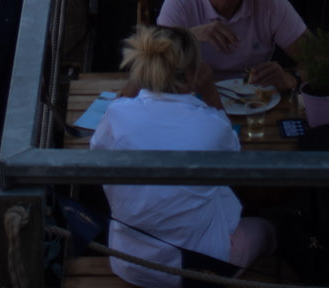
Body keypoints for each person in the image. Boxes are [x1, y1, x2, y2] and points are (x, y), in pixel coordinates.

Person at [88, 25, 276, 288]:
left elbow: (100, 143)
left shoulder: (115, 116)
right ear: (192, 75)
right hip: (199, 269)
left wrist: (138, 79)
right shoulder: (210, 124)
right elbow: (234, 155)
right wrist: (210, 90)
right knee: (265, 229)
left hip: (129, 263)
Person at [159, 0, 306, 93]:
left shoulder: (269, 3)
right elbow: (151, 65)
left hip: (256, 100)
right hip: (196, 100)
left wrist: (292, 78)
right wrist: (188, 37)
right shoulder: (180, 2)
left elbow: (320, 60)